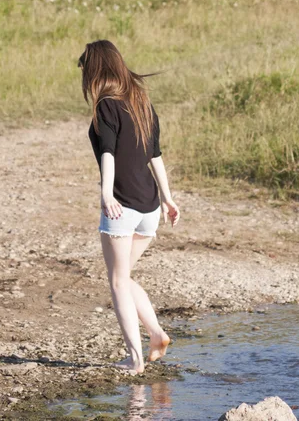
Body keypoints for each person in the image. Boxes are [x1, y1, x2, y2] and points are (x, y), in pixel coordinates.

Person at [78, 40, 180, 375]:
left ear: (96, 69)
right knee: (123, 275)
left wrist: (107, 195)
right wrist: (167, 198)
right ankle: (156, 335)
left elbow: (107, 152)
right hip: (149, 206)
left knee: (118, 281)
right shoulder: (141, 102)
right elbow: (156, 155)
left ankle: (136, 359)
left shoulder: (106, 106)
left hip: (121, 205)